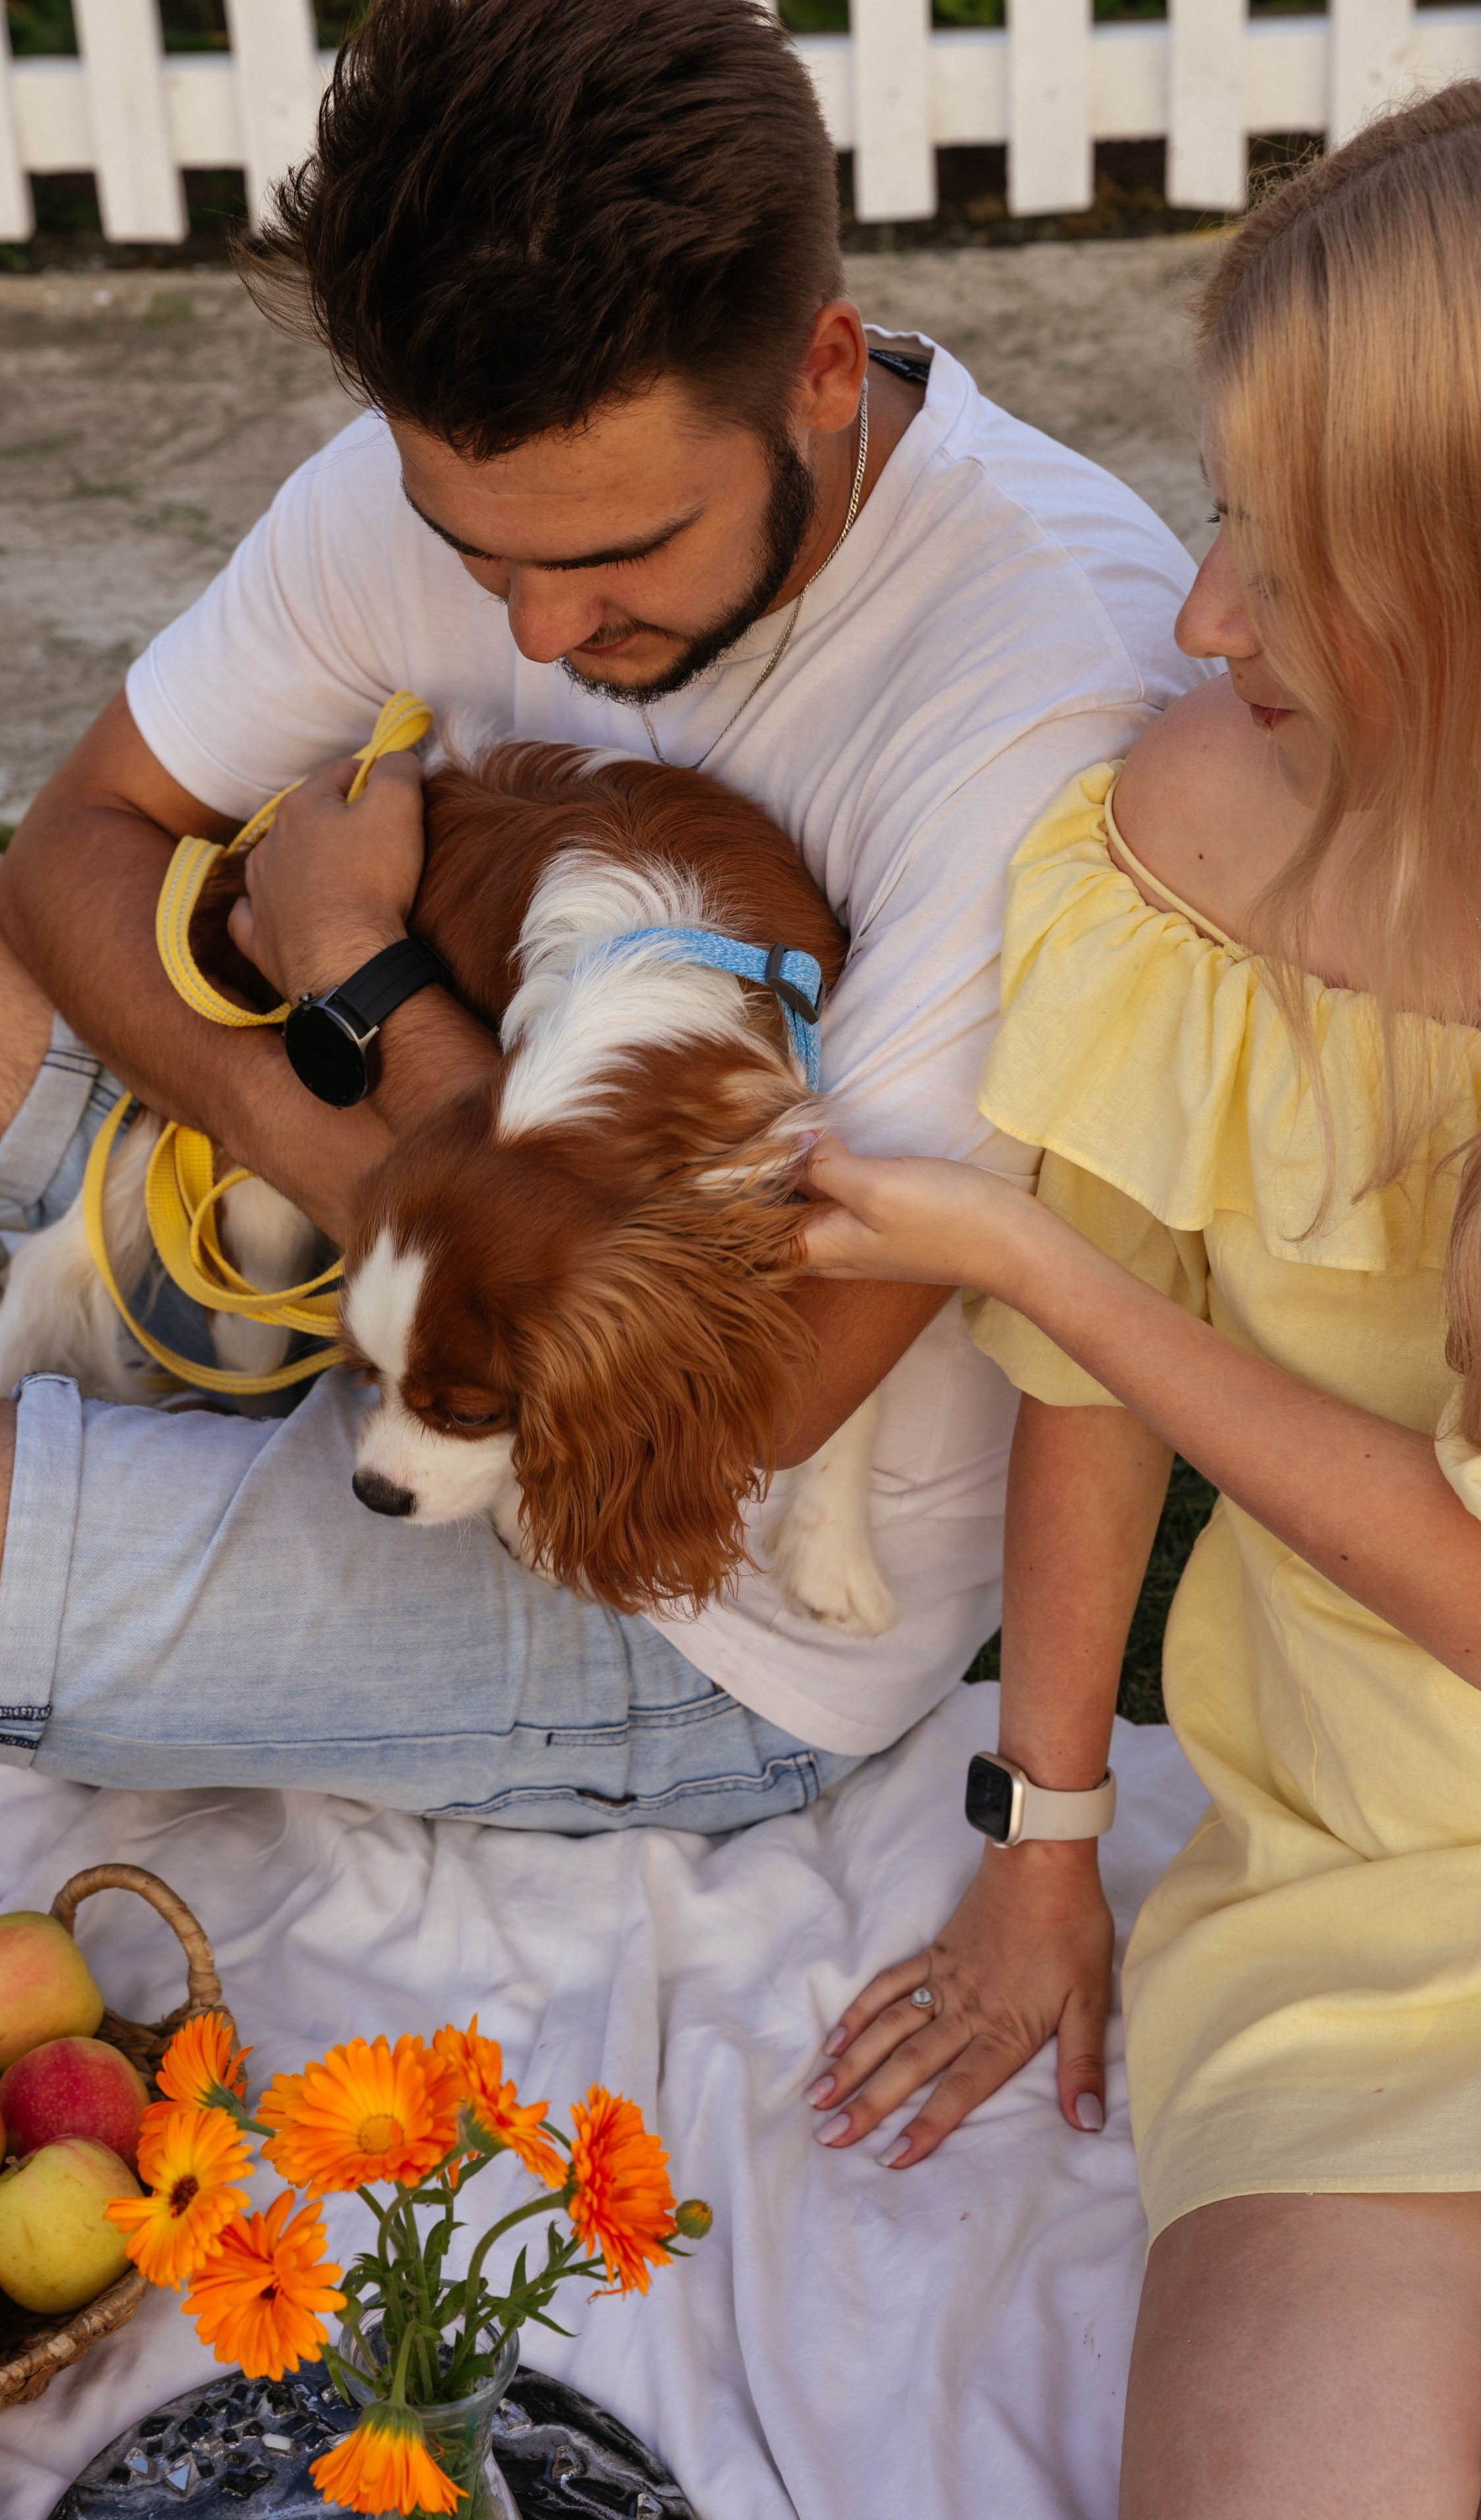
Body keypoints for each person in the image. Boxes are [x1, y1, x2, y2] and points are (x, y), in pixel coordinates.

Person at [0, 0, 1198, 1837]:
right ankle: (231, 1390)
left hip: (698, 1563)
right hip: (408, 1235)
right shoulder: (476, 442)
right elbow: (93, 828)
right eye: (474, 552)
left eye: (615, 556)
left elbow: (772, 1381)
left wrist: (354, 981)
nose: (538, 635)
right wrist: (355, 1175)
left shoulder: (1053, 698)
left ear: (828, 369)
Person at [797, 84, 1481, 2519]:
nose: (1200, 619)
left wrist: (1019, 1252)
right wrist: (1047, 1836)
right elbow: (1096, 1362)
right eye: (1228, 522)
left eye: (1288, 562)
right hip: (1377, 1901)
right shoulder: (1208, 822)